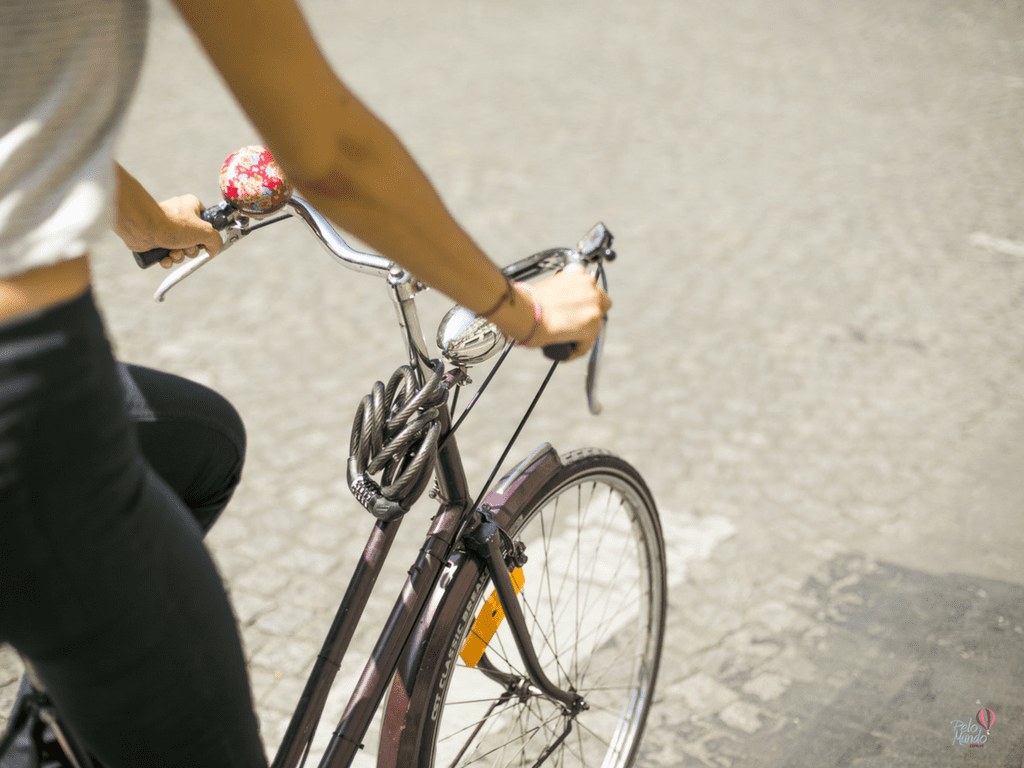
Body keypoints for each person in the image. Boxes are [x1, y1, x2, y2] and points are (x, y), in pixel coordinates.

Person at [0, 0, 610, 766]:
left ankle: (66, 710)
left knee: (205, 443)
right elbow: (331, 150)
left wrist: (149, 223)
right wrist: (520, 310)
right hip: (22, 409)